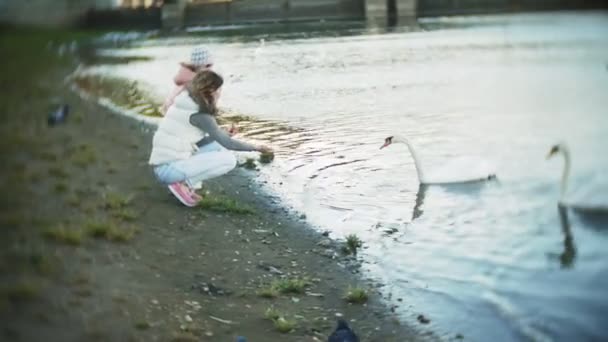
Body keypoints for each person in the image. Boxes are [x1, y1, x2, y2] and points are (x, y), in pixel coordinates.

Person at [149, 70, 272, 207]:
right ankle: (182, 183)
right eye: (218, 89)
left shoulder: (186, 101)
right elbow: (229, 144)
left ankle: (183, 181)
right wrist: (257, 148)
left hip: (164, 164)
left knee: (218, 146)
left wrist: (222, 133)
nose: (220, 93)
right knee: (229, 160)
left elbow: (202, 142)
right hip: (168, 170)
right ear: (210, 91)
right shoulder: (200, 113)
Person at [160, 45, 213, 115]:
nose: (211, 68)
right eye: (208, 65)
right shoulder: (190, 80)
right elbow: (169, 103)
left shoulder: (188, 76)